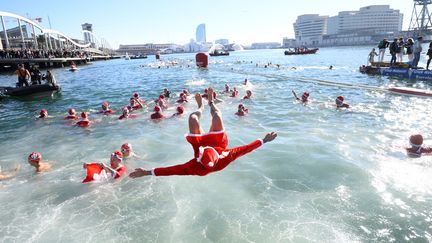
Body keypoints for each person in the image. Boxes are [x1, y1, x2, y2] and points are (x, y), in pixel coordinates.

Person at [129, 87, 277, 178]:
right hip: (218, 145)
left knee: (193, 118)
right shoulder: (225, 157)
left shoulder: (195, 167)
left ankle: (199, 107)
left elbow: (173, 170)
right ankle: (210, 103)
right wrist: (263, 141)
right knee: (218, 116)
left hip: (199, 145)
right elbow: (244, 149)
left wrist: (147, 172)